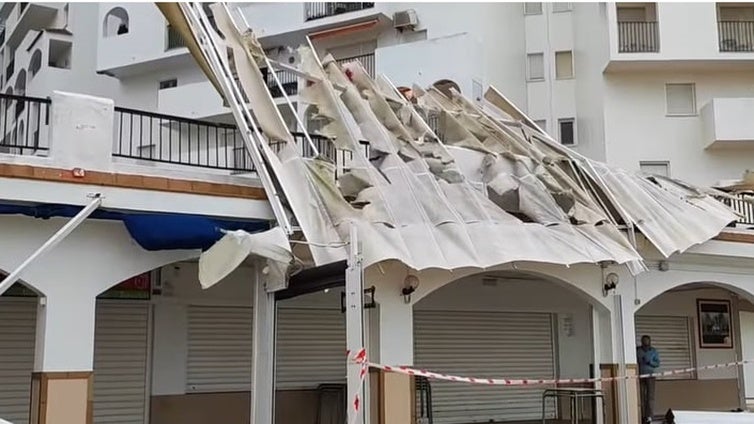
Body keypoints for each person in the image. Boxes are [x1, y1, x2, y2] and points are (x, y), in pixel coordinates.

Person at [637, 335, 660, 424]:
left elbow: (657, 363)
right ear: (642, 342)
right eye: (644, 341)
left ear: (650, 342)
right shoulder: (638, 351)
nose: (646, 343)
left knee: (650, 397)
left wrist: (650, 362)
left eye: (647, 341)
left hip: (651, 375)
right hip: (641, 375)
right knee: (642, 396)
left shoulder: (653, 351)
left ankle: (649, 416)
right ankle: (642, 415)